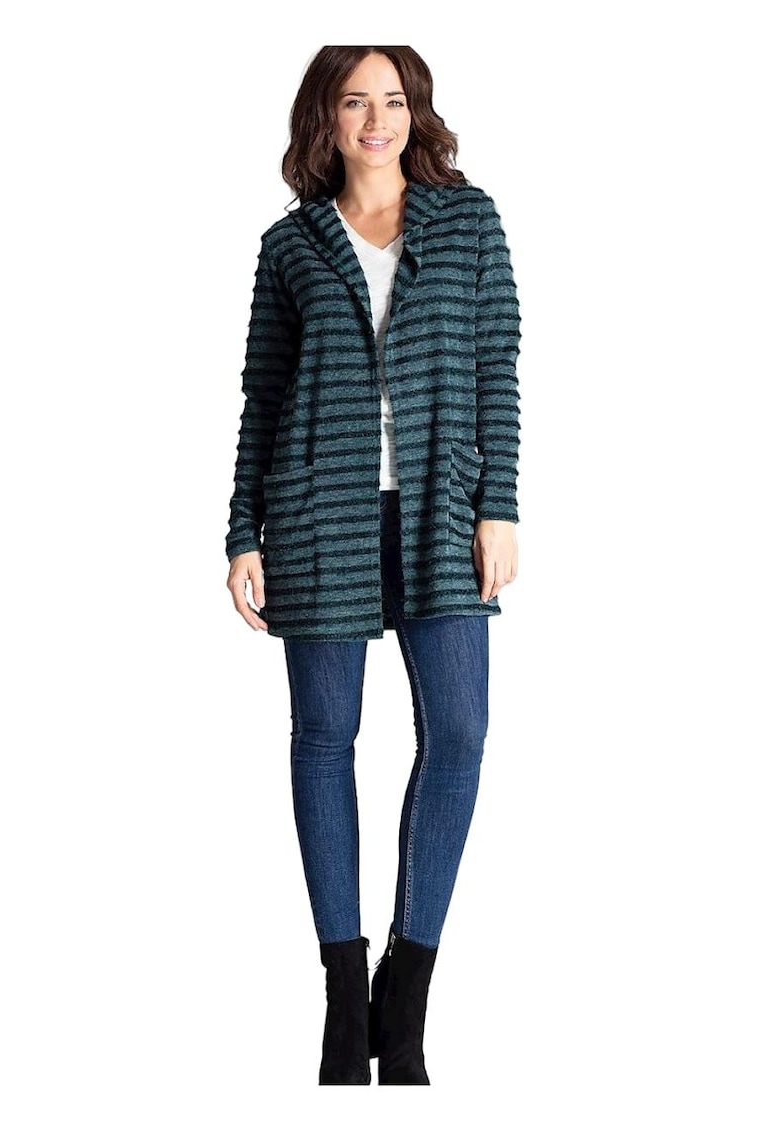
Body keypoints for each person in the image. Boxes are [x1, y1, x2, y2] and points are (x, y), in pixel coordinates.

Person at [225, 45, 521, 1085]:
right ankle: (344, 1000)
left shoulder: (470, 223)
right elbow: (263, 396)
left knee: (461, 732)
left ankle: (409, 992)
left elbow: (496, 367)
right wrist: (243, 531)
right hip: (320, 516)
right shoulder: (290, 245)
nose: (377, 119)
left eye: (393, 100)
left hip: (442, 515)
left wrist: (499, 506)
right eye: (355, 101)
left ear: (416, 112)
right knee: (325, 738)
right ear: (327, 118)